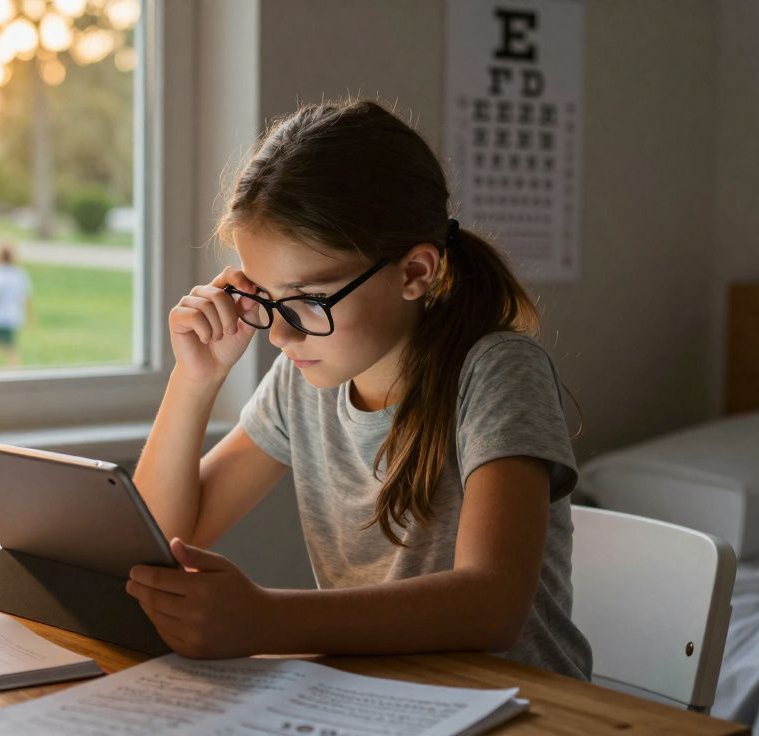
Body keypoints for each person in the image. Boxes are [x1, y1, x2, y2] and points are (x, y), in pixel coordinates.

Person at [126, 99, 593, 682]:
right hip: (377, 701)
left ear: (415, 273)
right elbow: (162, 542)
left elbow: (492, 605)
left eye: (309, 300)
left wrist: (266, 619)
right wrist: (195, 379)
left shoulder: (497, 370)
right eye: (267, 298)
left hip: (523, 704)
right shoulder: (304, 380)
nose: (280, 334)